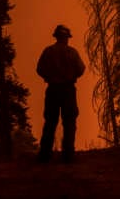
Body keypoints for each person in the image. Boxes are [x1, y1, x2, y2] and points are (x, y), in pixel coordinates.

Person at [36, 25, 85, 163]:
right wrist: (70, 75)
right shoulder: (72, 53)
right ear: (66, 38)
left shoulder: (48, 51)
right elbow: (81, 69)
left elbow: (39, 69)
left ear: (56, 36)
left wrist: (50, 77)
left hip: (53, 90)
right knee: (69, 122)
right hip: (68, 90)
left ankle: (45, 156)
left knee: (50, 121)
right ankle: (68, 155)